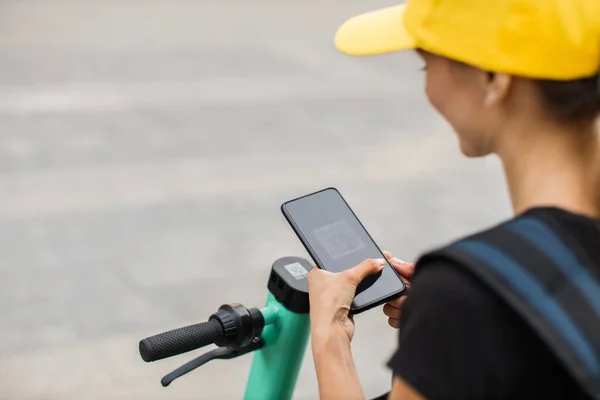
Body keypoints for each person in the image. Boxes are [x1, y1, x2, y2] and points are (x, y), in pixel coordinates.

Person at [306, 0, 600, 399]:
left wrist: (329, 338)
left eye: (426, 64)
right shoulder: (478, 303)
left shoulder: (463, 299)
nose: (427, 88)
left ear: (494, 76)